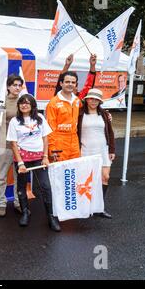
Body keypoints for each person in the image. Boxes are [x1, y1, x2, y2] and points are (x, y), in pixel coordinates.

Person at [7, 94, 61, 231]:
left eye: (27, 103)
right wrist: (20, 163)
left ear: (32, 105)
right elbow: (13, 144)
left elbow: (45, 139)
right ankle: (25, 212)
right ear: (18, 105)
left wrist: (45, 156)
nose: (24, 105)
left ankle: (51, 216)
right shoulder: (14, 121)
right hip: (22, 159)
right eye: (21, 103)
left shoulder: (40, 119)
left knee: (45, 186)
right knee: (21, 187)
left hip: (39, 158)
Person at [78, 88, 115, 219]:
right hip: (86, 151)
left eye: (96, 99)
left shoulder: (104, 114)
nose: (93, 101)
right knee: (87, 180)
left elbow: (110, 132)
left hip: (103, 150)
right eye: (91, 98)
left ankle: (100, 207)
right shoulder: (79, 113)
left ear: (100, 101)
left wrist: (112, 150)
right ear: (86, 99)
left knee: (105, 178)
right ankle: (86, 207)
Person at [0, 74, 24, 217]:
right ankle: (0, 203)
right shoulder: (1, 102)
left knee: (20, 176)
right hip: (4, 145)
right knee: (1, 176)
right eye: (14, 85)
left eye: (19, 85)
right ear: (8, 87)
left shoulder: (24, 101)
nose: (17, 88)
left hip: (22, 146)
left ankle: (19, 202)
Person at [46, 71, 82, 162]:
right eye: (67, 82)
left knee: (73, 172)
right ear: (61, 83)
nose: (70, 84)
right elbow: (50, 128)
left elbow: (89, 109)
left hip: (74, 142)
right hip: (59, 142)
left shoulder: (77, 100)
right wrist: (52, 148)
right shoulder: (53, 103)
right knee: (59, 173)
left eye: (73, 82)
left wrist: (105, 114)